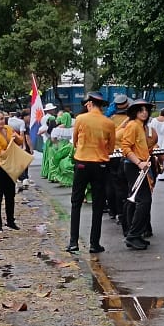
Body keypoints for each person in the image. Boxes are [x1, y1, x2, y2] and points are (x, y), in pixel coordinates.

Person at [67, 91, 116, 254]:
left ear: (89, 104)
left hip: (82, 163)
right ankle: (94, 244)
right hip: (100, 165)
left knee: (76, 202)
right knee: (98, 204)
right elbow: (111, 148)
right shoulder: (109, 123)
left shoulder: (80, 119)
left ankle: (73, 242)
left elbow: (74, 141)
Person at [117, 99, 156, 249]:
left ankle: (136, 234)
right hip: (135, 167)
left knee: (144, 201)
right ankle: (133, 235)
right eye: (140, 110)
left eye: (146, 110)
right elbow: (126, 148)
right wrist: (139, 163)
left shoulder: (142, 127)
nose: (144, 112)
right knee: (143, 201)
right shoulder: (132, 126)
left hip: (141, 166)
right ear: (135, 112)